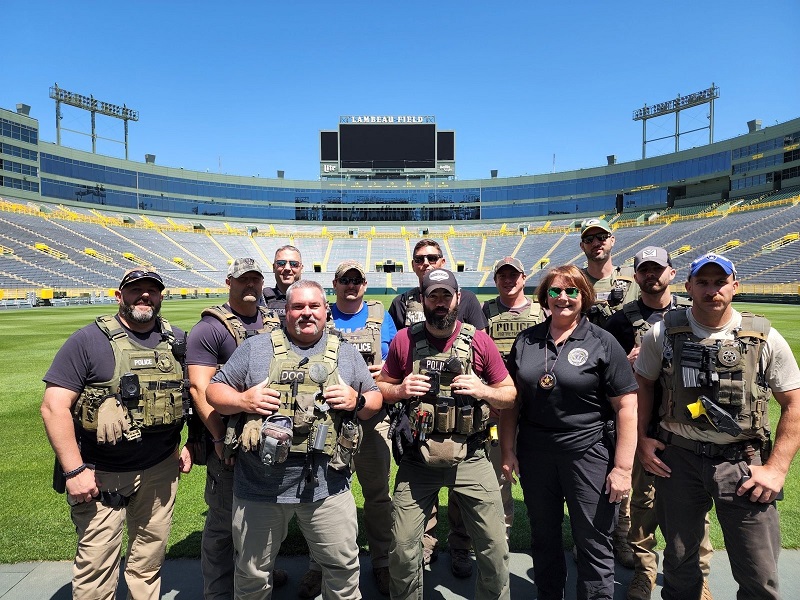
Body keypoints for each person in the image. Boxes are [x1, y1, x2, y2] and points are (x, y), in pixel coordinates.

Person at [634, 253, 800, 600]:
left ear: (735, 286)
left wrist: (777, 469)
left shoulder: (764, 337)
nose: (712, 290)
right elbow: (643, 385)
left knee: (758, 573)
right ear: (689, 286)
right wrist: (642, 441)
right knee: (680, 565)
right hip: (678, 459)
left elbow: (794, 403)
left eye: (720, 281)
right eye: (704, 283)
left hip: (742, 463)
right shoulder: (661, 332)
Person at [206, 279, 382, 600]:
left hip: (327, 485)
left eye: (314, 306)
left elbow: (374, 400)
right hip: (259, 486)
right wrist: (244, 401)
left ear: (325, 311)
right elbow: (214, 391)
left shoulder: (344, 351)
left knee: (342, 570)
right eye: (297, 307)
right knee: (252, 573)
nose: (306, 313)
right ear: (285, 312)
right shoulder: (255, 348)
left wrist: (356, 399)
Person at [41, 268, 190, 600]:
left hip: (160, 470)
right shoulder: (88, 340)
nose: (145, 296)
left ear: (161, 296)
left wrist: (193, 442)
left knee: (148, 559)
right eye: (136, 289)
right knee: (96, 567)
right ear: (119, 296)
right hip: (99, 475)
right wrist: (74, 471)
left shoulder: (177, 340)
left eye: (152, 290)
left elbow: (193, 393)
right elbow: (53, 407)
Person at [500, 264, 638, 600]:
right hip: (536, 455)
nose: (563, 298)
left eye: (571, 291)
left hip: (588, 454)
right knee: (544, 538)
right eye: (555, 291)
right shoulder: (527, 340)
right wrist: (507, 451)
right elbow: (512, 403)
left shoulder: (602, 341)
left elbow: (626, 407)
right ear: (544, 296)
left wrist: (621, 469)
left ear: (584, 296)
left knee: (593, 542)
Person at [379, 268, 515, 600]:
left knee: (495, 549)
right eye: (433, 296)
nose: (440, 303)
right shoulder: (404, 340)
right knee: (400, 547)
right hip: (418, 460)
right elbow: (381, 386)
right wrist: (400, 390)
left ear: (458, 299)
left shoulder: (479, 339)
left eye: (446, 296)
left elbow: (509, 393)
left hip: (471, 457)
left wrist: (483, 389)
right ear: (423, 300)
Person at [604, 247, 713, 600]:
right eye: (644, 270)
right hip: (644, 422)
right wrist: (625, 359)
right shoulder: (622, 320)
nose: (651, 275)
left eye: (657, 269)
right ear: (636, 277)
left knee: (695, 503)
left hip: (690, 421)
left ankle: (699, 574)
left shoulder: (692, 311)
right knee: (643, 502)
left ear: (671, 272)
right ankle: (644, 571)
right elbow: (601, 369)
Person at [184, 258, 288, 599]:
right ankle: (218, 593)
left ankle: (260, 573)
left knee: (266, 515)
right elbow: (200, 389)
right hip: (228, 441)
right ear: (229, 281)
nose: (251, 286)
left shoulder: (275, 321)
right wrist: (217, 438)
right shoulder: (210, 328)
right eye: (244, 280)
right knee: (223, 525)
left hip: (269, 440)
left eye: (256, 280)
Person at [387, 238, 488, 575]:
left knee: (466, 507)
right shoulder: (402, 303)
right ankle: (425, 548)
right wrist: (401, 390)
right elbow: (392, 367)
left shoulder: (469, 304)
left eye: (433, 257)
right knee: (409, 531)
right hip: (421, 429)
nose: (426, 262)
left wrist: (479, 387)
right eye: (420, 258)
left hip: (464, 429)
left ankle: (460, 548)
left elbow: (480, 352)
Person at [297, 260, 397, 597]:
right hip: (327, 419)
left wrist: (382, 373)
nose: (351, 285)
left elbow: (398, 364)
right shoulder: (321, 317)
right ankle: (319, 565)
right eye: (345, 280)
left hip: (370, 416)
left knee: (377, 494)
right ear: (335, 285)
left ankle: (382, 560)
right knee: (319, 494)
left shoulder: (382, 317)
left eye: (357, 280)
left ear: (364, 285)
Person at [578, 217, 639, 567]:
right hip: (587, 383)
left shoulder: (630, 282)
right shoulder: (575, 282)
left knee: (622, 459)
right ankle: (587, 535)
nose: (596, 243)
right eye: (590, 239)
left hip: (626, 382)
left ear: (612, 241)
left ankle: (623, 535)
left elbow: (655, 319)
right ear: (583, 246)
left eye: (601, 237)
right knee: (588, 461)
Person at [481, 256, 542, 538]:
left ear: (524, 277)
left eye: (513, 275)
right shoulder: (486, 312)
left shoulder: (543, 312)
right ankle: (500, 537)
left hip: (536, 409)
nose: (508, 280)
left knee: (539, 476)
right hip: (499, 409)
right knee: (497, 476)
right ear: (495, 281)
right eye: (502, 276)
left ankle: (543, 533)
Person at [262, 245, 303, 326]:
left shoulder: (313, 299)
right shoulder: (261, 299)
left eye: (294, 264)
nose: (287, 268)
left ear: (301, 268)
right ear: (274, 267)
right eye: (281, 263)